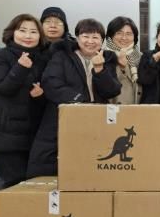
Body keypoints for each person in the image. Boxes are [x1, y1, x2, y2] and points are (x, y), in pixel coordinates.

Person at [27, 19, 121, 177]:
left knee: (92, 162)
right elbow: (51, 83)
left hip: (96, 119)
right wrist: (80, 100)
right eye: (85, 36)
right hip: (63, 116)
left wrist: (100, 69)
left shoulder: (107, 59)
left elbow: (112, 90)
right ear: (77, 38)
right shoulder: (62, 56)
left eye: (95, 37)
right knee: (52, 163)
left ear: (102, 41)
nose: (90, 41)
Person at [0, 14, 49, 187]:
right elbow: (3, 88)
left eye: (33, 32)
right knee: (15, 184)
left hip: (32, 138)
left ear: (40, 36)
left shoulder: (41, 60)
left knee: (31, 187)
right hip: (4, 137)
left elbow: (44, 102)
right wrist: (21, 67)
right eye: (22, 30)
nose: (28, 36)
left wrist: (40, 95)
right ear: (12, 33)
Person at [0, 6, 71, 60]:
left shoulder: (74, 47)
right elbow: (3, 62)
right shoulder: (30, 44)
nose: (53, 25)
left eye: (58, 22)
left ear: (65, 27)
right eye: (48, 21)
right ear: (40, 26)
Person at [104, 16, 142, 104]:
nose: (124, 38)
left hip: (139, 109)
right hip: (113, 109)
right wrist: (122, 67)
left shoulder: (141, 57)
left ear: (134, 36)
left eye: (129, 34)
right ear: (111, 35)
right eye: (119, 33)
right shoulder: (104, 57)